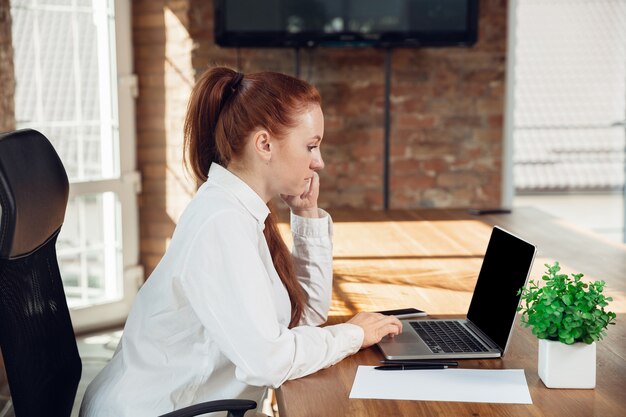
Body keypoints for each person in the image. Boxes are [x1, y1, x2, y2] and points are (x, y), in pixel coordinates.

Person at [79, 67, 402, 417]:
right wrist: (352, 335)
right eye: (311, 146)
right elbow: (268, 362)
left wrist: (307, 214)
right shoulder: (222, 222)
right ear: (264, 144)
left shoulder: (241, 210)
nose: (319, 162)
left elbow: (304, 315)